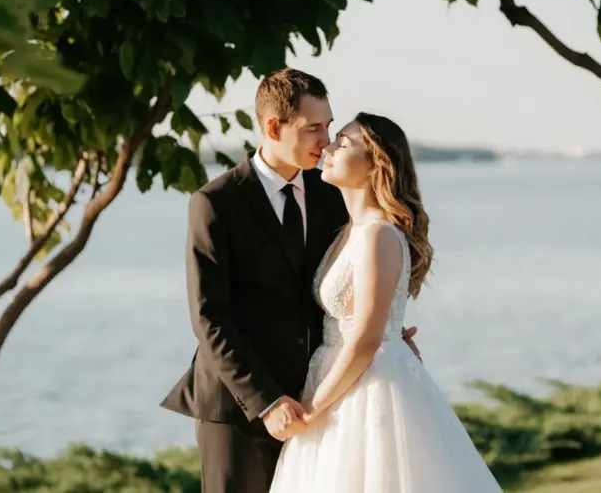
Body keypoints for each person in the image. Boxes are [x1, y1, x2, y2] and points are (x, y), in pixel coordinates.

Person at [160, 69, 419, 493]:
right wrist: (265, 402)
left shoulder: (332, 192)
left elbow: (354, 279)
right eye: (314, 128)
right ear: (274, 127)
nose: (326, 139)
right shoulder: (216, 203)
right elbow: (210, 319)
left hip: (321, 401)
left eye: (330, 126)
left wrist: (383, 333)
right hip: (239, 408)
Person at [267, 112, 505, 493]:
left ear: (375, 162)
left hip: (367, 386)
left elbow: (365, 339)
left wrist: (312, 407)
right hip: (334, 374)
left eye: (342, 142)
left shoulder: (379, 235)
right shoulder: (350, 230)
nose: (327, 146)